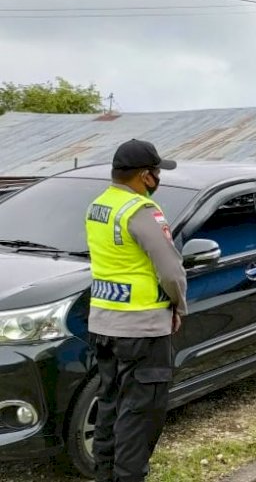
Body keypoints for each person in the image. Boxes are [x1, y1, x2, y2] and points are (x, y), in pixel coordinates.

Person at [85, 139, 187, 482]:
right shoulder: (141, 211)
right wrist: (178, 305)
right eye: (156, 172)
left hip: (104, 324)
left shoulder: (98, 206)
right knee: (140, 416)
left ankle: (105, 476)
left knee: (110, 406)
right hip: (143, 329)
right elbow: (171, 271)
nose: (158, 178)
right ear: (145, 176)